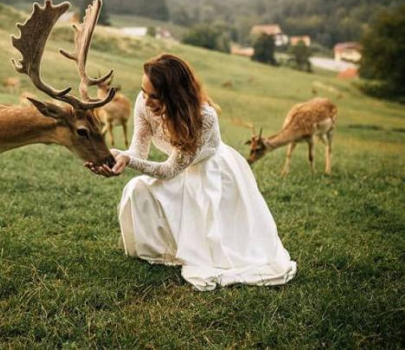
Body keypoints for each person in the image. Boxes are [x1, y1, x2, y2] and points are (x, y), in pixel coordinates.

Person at [86, 53, 296, 291]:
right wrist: (116, 157)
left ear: (175, 95)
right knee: (137, 188)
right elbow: (139, 151)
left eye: (154, 96)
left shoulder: (204, 117)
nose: (146, 101)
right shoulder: (143, 104)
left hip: (213, 175)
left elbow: (169, 169)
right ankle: (163, 252)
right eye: (143, 92)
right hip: (181, 172)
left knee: (217, 249)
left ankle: (198, 250)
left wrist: (128, 160)